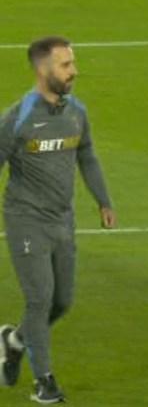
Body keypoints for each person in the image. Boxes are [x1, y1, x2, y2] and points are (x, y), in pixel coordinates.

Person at [0, 36, 117, 404]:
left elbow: (88, 155)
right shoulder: (17, 117)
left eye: (73, 63)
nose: (74, 71)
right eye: (66, 65)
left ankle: (13, 341)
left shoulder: (75, 112)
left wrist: (103, 201)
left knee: (62, 301)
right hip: (25, 220)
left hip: (62, 221)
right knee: (40, 299)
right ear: (43, 69)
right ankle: (44, 382)